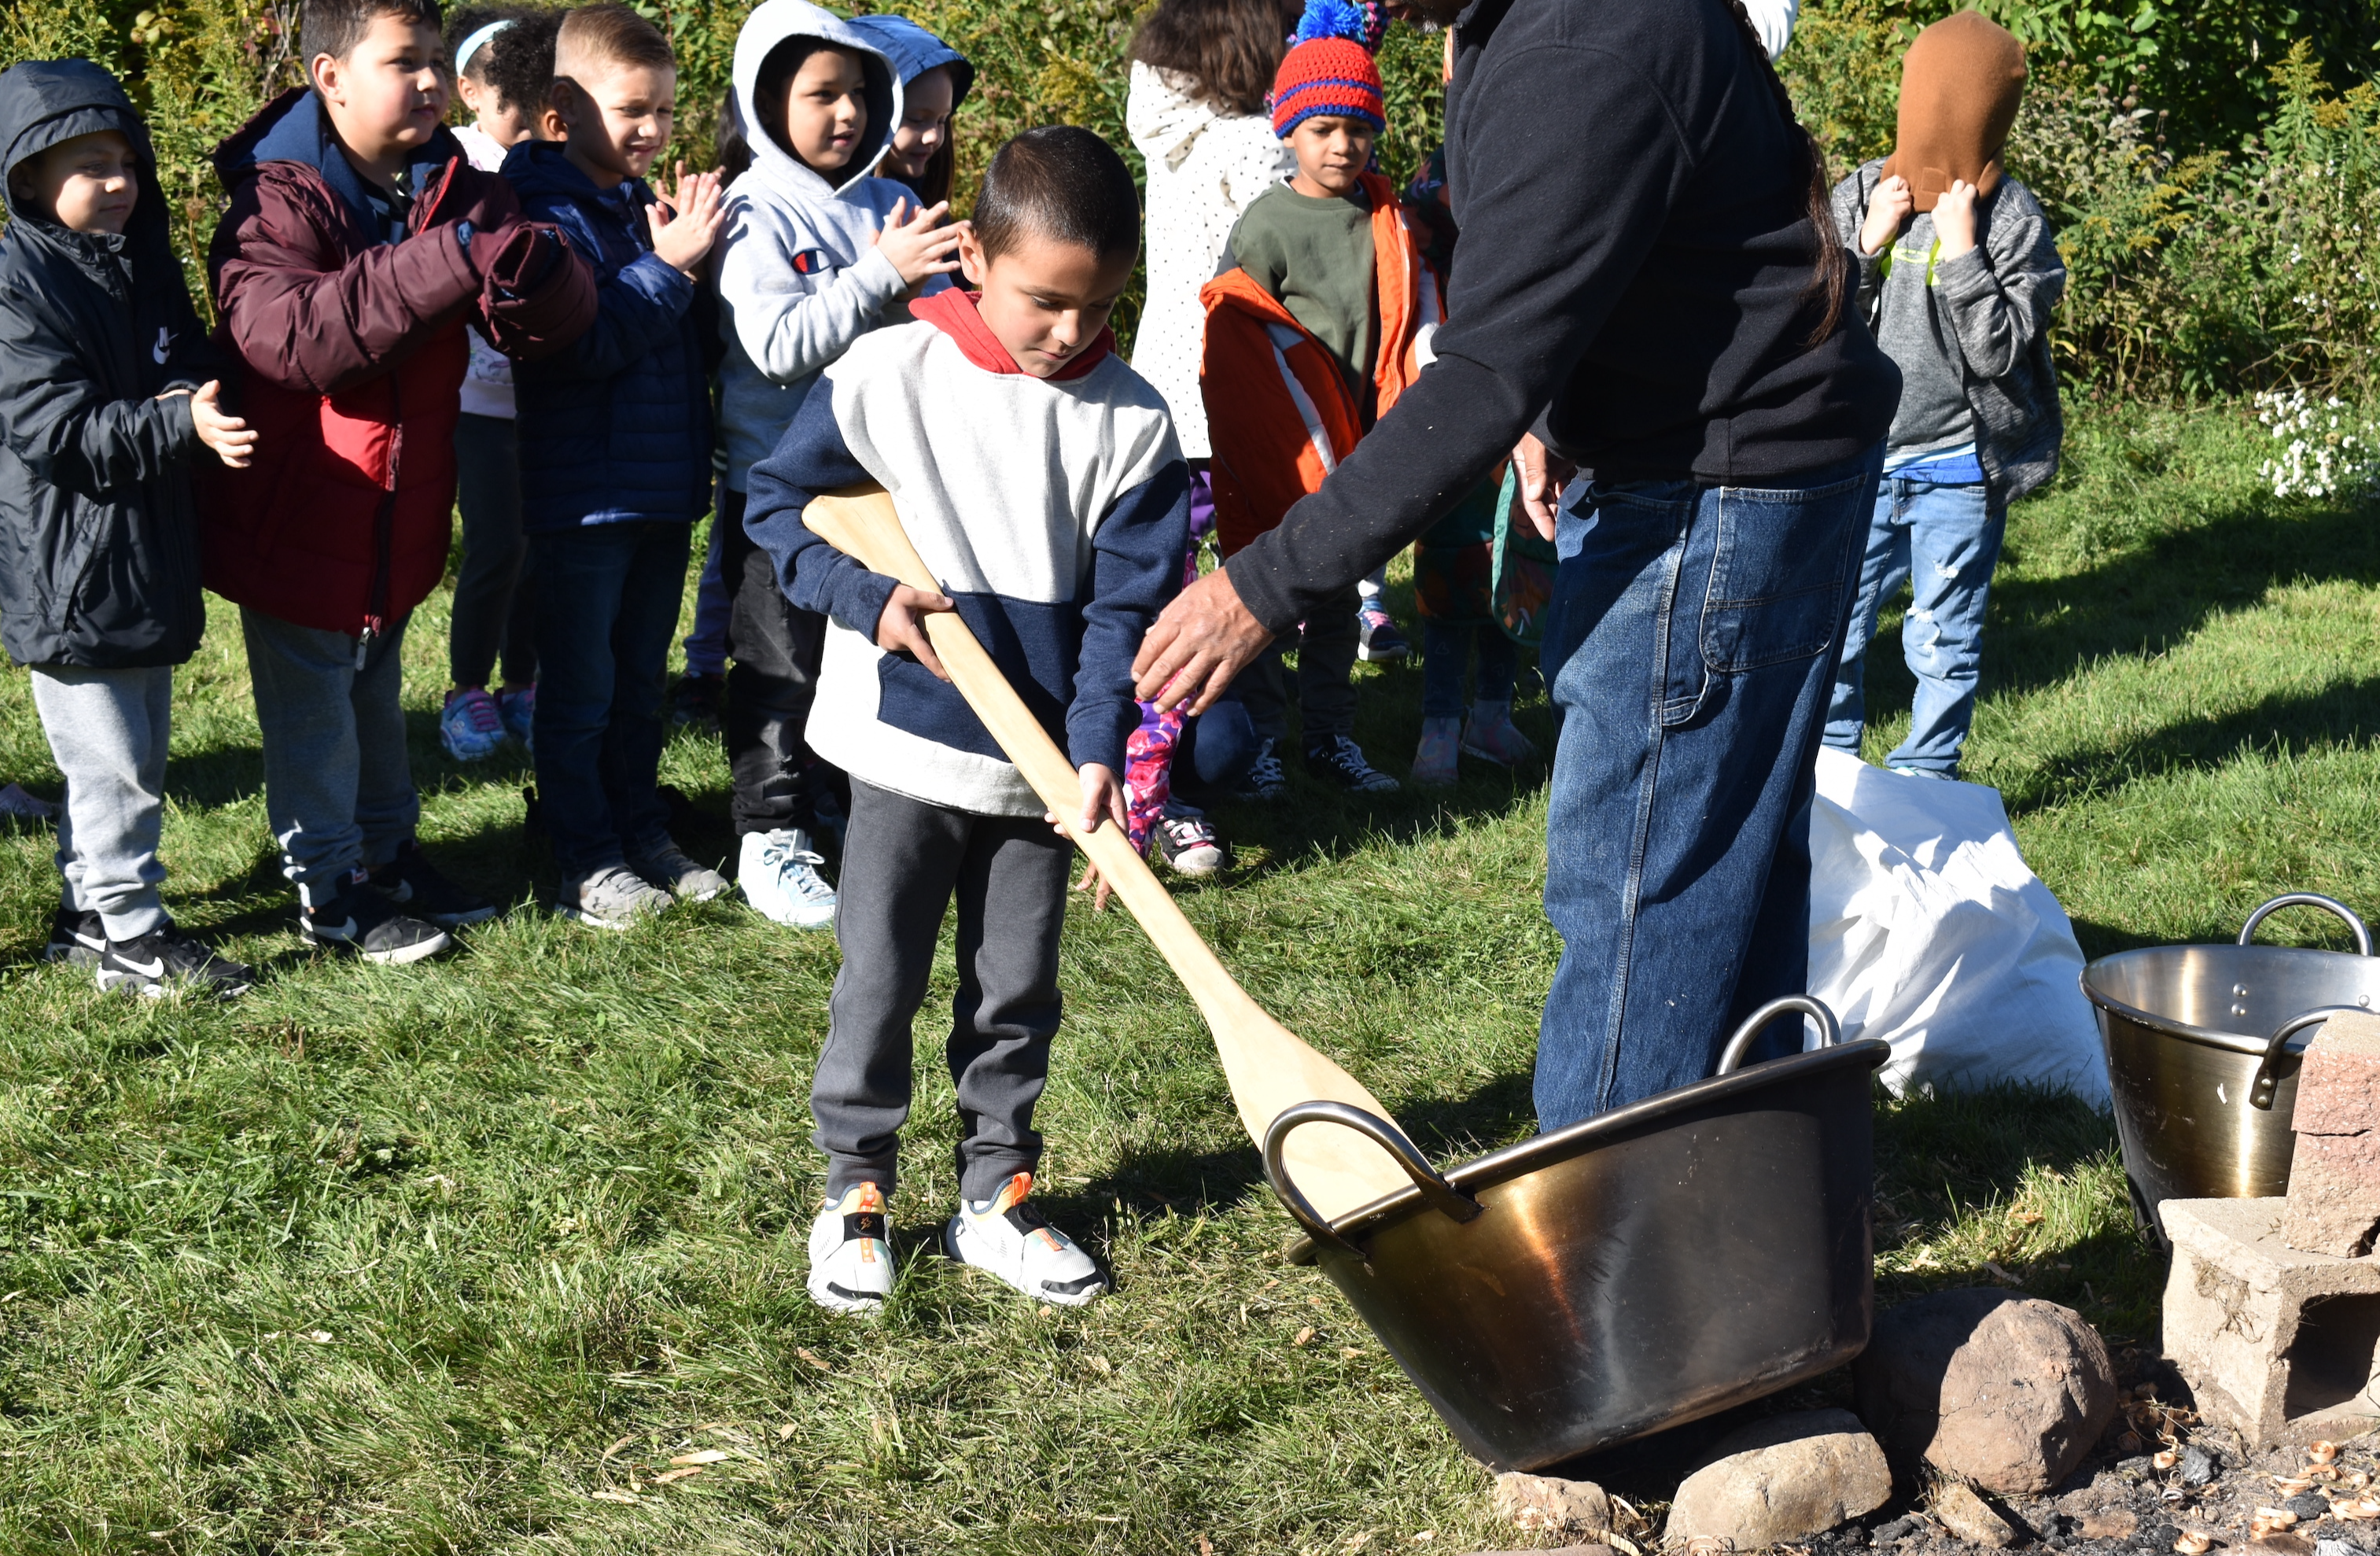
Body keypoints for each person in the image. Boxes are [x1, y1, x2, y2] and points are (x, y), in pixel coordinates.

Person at [1132, 0, 1903, 1127]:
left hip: (1717, 489)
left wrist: (1262, 583)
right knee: (1725, 868)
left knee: (1641, 886)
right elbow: (1589, 259)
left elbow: (1479, 372)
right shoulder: (1520, 25)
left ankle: (1612, 1259)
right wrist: (1551, 404)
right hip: (1746, 454)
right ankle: (1759, 1215)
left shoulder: (1577, 42)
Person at [743, 126, 1184, 1315]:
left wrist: (1095, 750)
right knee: (878, 972)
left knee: (1015, 987)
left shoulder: (1133, 421)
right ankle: (856, 1188)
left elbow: (1124, 615)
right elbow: (777, 506)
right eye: (1044, 302)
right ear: (977, 257)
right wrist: (864, 596)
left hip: (1039, 772)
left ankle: (998, 1188)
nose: (1069, 333)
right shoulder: (888, 374)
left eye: (1099, 308)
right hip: (900, 745)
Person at [204, 0, 595, 963]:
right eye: (401, 62)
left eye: (433, 61)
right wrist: (451, 256)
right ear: (330, 76)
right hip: (301, 508)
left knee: (376, 700)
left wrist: (540, 277)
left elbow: (540, 327)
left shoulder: (450, 183)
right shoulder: (274, 199)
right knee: (316, 721)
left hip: (399, 510)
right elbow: (289, 339)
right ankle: (329, 888)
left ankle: (388, 855)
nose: (427, 81)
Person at [0, 57, 260, 997]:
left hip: (141, 550)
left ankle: (84, 915)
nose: (117, 184)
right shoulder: (19, 287)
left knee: (133, 747)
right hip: (70, 564)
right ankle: (131, 933)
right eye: (88, 165)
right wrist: (174, 423)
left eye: (127, 162)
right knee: (114, 765)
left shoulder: (138, 266)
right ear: (28, 176)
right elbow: (53, 430)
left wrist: (193, 390)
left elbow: (181, 358)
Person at [712, 0, 961, 930]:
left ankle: (840, 812)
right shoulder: (756, 210)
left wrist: (957, 278)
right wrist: (880, 274)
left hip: (873, 489)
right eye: (822, 94)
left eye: (859, 93)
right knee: (777, 663)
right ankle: (766, 834)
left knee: (854, 663)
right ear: (768, 100)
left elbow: (933, 322)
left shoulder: (886, 204)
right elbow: (777, 344)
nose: (847, 113)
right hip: (777, 490)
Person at [508, 2, 729, 929]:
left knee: (640, 681)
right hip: (583, 496)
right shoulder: (538, 213)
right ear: (561, 113)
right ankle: (584, 856)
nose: (652, 130)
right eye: (632, 110)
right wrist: (671, 265)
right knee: (583, 689)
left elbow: (681, 345)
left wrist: (689, 259)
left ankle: (642, 828)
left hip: (658, 489)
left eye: (667, 112)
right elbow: (580, 344)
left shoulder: (644, 208)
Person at [1822, 12, 2062, 782]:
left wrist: (1961, 253)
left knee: (1941, 635)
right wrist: (1865, 245)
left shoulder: (2011, 221)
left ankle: (1925, 776)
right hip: (1861, 462)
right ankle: (1828, 769)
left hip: (1959, 467)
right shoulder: (1864, 192)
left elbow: (1996, 353)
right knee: (1834, 624)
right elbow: (1814, 326)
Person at [1199, 0, 1428, 798]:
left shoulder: (1383, 215)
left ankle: (1329, 736)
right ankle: (1262, 738)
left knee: (1334, 598)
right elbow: (1234, 342)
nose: (1341, 145)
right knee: (1264, 592)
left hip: (1359, 439)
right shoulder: (1265, 226)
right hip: (1285, 446)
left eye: (1357, 129)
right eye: (1323, 128)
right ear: (1288, 130)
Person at [439, 4, 548, 762]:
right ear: (471, 92)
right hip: (473, 403)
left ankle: (524, 684)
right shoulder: (452, 162)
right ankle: (466, 689)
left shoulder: (549, 163)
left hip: (542, 395)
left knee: (537, 545)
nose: (525, 116)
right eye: (509, 100)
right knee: (494, 546)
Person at [849, 13, 971, 208]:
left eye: (942, 120)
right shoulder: (851, 207)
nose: (933, 136)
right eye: (917, 120)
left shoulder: (926, 194)